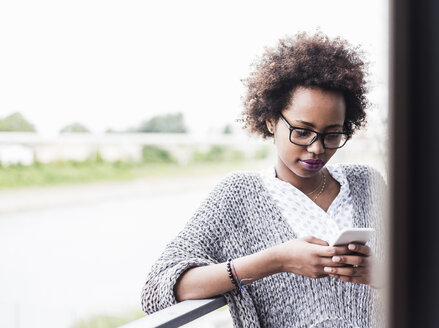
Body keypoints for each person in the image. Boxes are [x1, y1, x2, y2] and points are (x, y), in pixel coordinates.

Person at [141, 31, 387, 328]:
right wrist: (275, 261)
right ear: (271, 120)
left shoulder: (367, 184)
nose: (317, 147)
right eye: (302, 131)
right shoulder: (238, 196)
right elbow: (158, 289)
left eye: (332, 134)